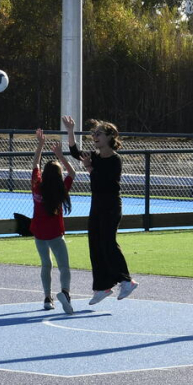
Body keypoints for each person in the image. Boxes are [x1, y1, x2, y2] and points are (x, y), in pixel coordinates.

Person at [63, 114, 137, 304]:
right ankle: (102, 287)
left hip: (111, 206)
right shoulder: (94, 156)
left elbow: (102, 181)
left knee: (108, 242)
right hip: (96, 206)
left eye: (99, 133)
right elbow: (74, 152)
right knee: (95, 244)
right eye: (94, 133)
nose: (95, 136)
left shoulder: (115, 160)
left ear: (110, 137)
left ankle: (127, 281)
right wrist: (70, 131)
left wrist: (88, 168)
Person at [30, 128, 75, 314]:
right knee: (63, 266)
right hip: (56, 233)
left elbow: (35, 166)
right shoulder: (61, 189)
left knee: (45, 264)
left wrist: (40, 145)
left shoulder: (37, 186)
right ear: (58, 176)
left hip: (39, 233)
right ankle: (65, 292)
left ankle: (47, 297)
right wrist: (61, 156)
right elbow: (72, 173)